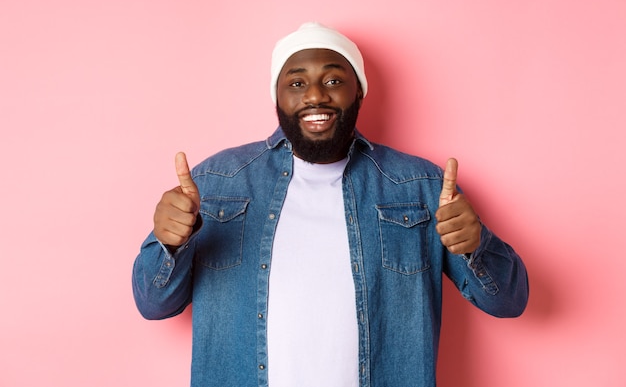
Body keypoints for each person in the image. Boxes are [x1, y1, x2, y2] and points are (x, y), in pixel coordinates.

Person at [132, 22, 529, 387]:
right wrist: (169, 245)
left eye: (334, 79)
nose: (316, 95)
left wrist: (477, 245)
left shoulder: (420, 186)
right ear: (277, 96)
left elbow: (509, 301)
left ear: (359, 91)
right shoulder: (216, 182)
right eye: (297, 82)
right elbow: (153, 304)